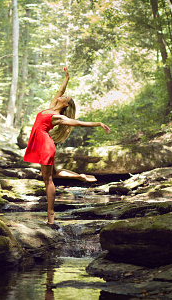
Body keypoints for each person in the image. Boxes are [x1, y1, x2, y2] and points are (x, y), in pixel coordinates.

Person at [23, 67, 111, 227]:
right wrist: (67, 78)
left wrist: (98, 123)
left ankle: (51, 216)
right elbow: (60, 90)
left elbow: (78, 123)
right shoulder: (50, 107)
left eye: (65, 97)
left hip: (45, 145)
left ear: (65, 104)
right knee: (53, 174)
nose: (62, 95)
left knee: (48, 179)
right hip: (41, 143)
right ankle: (80, 177)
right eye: (62, 95)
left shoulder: (58, 117)